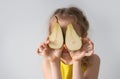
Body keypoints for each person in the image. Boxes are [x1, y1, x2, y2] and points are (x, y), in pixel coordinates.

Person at [37, 6, 100, 79]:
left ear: (83, 37)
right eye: (60, 37)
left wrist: (76, 61)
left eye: (70, 37)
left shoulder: (93, 60)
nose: (64, 45)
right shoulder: (47, 62)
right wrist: (54, 62)